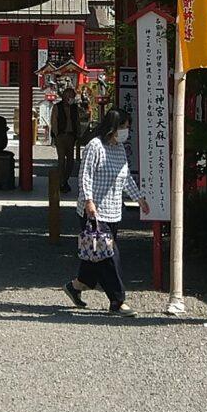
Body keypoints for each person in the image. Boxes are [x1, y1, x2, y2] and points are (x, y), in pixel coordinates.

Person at [65, 106, 140, 313]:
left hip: (114, 209)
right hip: (94, 211)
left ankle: (77, 285)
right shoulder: (94, 146)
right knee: (109, 255)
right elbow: (85, 175)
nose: (126, 131)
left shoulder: (119, 149)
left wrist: (139, 198)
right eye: (124, 127)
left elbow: (125, 178)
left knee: (96, 255)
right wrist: (88, 200)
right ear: (113, 127)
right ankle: (117, 301)